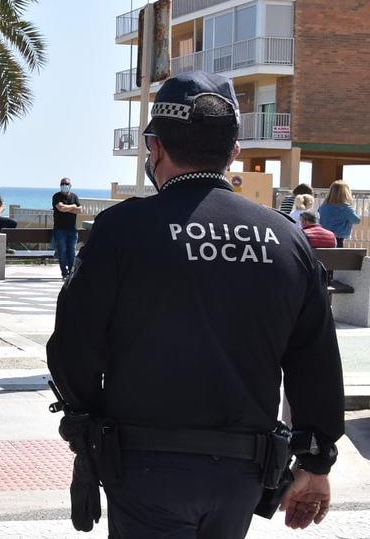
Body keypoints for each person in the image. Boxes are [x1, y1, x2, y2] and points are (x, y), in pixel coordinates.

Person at [47, 71, 344, 538]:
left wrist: (89, 422)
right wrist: (316, 461)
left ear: (157, 148)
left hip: (143, 464)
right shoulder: (287, 239)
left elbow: (73, 345)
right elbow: (316, 362)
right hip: (243, 472)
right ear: (234, 153)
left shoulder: (121, 231)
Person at [51, 177, 83, 280]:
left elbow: (80, 210)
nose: (64, 185)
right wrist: (73, 207)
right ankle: (64, 273)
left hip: (72, 230)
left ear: (70, 185)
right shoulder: (56, 196)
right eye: (62, 184)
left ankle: (71, 273)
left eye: (66, 184)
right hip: (60, 230)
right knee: (62, 251)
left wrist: (67, 208)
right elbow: (60, 208)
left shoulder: (74, 196)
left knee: (72, 252)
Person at [319, 180, 361, 249]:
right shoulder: (344, 208)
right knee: (338, 257)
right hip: (338, 237)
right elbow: (357, 220)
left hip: (324, 236)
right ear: (345, 193)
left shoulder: (324, 206)